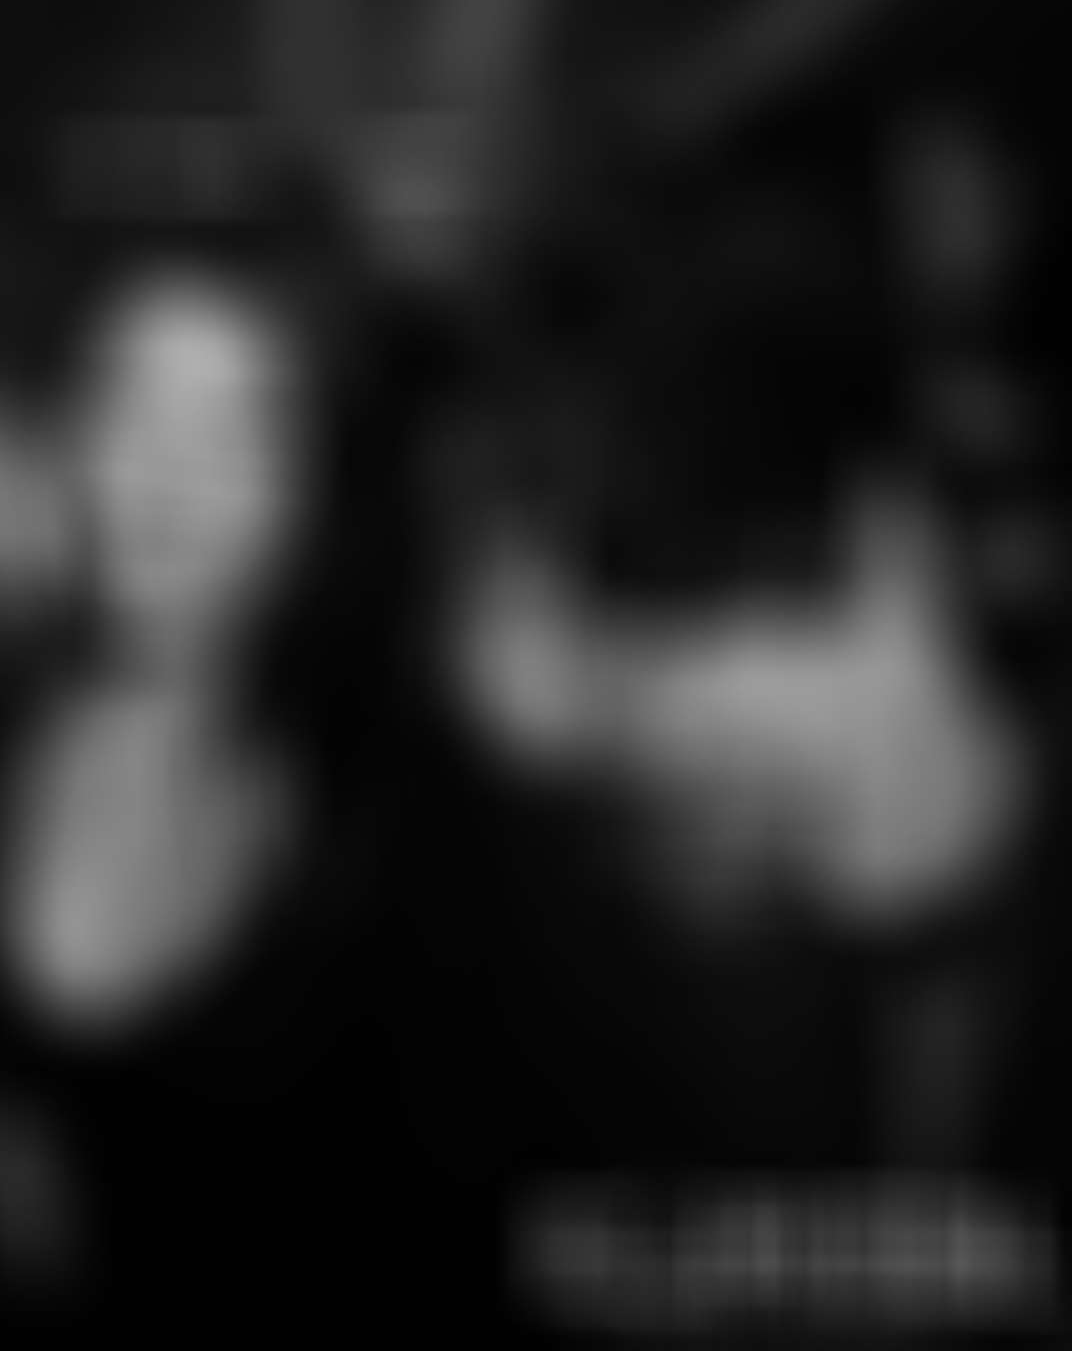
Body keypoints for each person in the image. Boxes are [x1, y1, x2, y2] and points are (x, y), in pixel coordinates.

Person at [436, 187, 1065, 1340]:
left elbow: (928, 897)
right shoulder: (844, 583)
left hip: (794, 1067)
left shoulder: (836, 624)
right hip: (731, 1065)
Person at [0, 189, 443, 1344]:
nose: (163, 474)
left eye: (234, 429)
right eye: (128, 403)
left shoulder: (390, 820)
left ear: (318, 486)